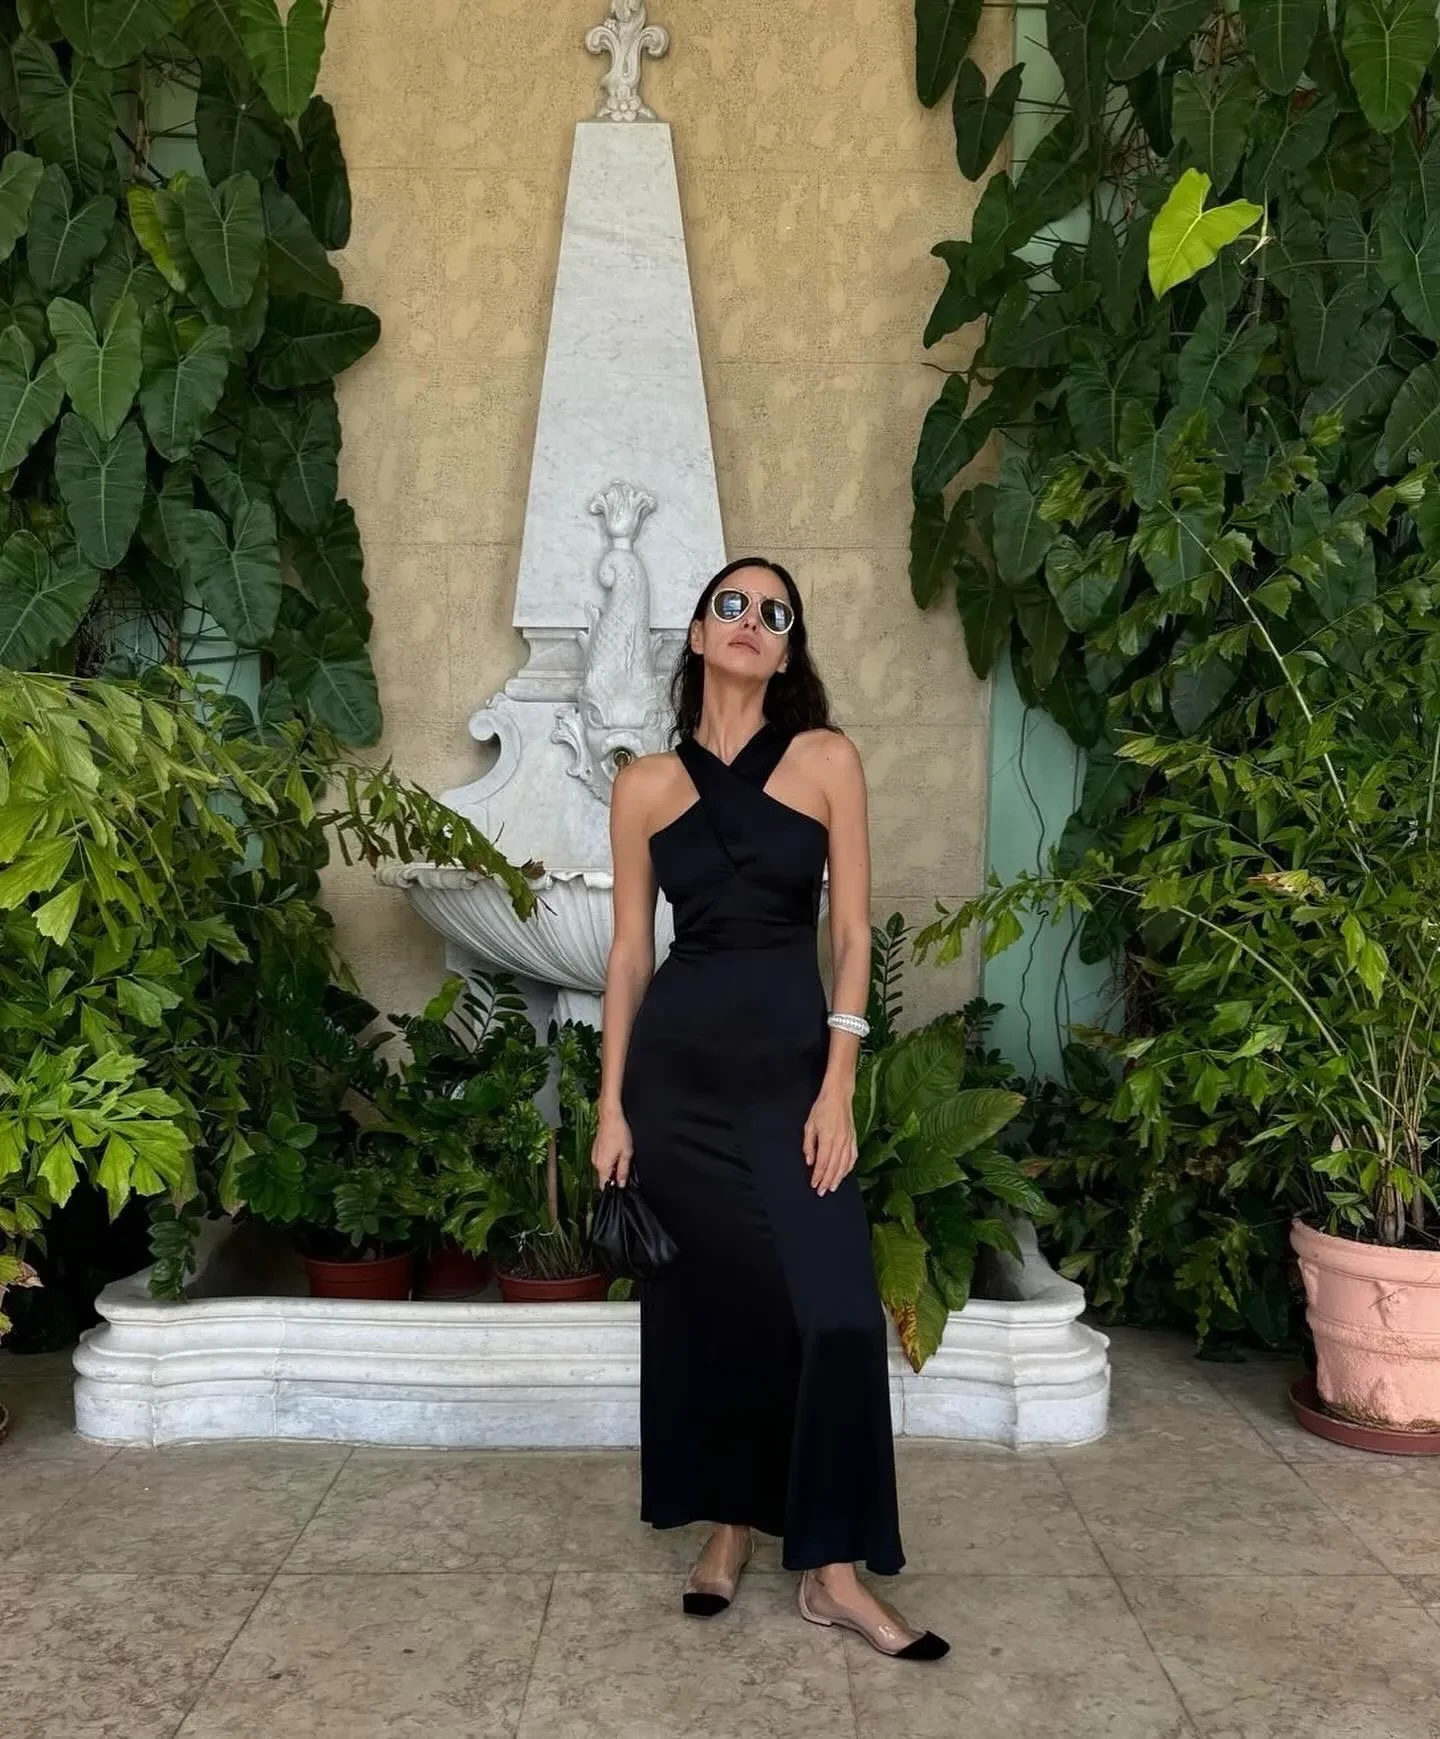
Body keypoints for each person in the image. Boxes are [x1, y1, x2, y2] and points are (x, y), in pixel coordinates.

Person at [591, 556, 949, 1662]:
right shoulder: (645, 783)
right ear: (699, 635)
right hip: (678, 1083)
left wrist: (838, 1080)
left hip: (795, 1073)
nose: (751, 620)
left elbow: (851, 935)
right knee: (715, 1308)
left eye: (774, 612)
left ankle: (833, 1573)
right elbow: (627, 955)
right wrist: (610, 1105)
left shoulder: (827, 758)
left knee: (836, 1312)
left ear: (788, 650)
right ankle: (730, 1524)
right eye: (731, 605)